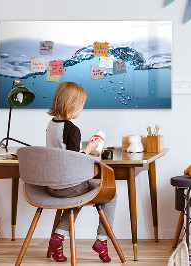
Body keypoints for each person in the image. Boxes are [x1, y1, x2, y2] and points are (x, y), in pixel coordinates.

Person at [46, 82, 116, 263]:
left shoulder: (51, 125)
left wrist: (85, 149)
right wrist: (91, 148)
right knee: (111, 194)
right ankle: (102, 240)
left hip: (52, 186)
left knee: (76, 197)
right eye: (81, 105)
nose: (81, 109)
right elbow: (74, 161)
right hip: (69, 186)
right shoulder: (72, 129)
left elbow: (63, 154)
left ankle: (58, 238)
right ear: (73, 105)